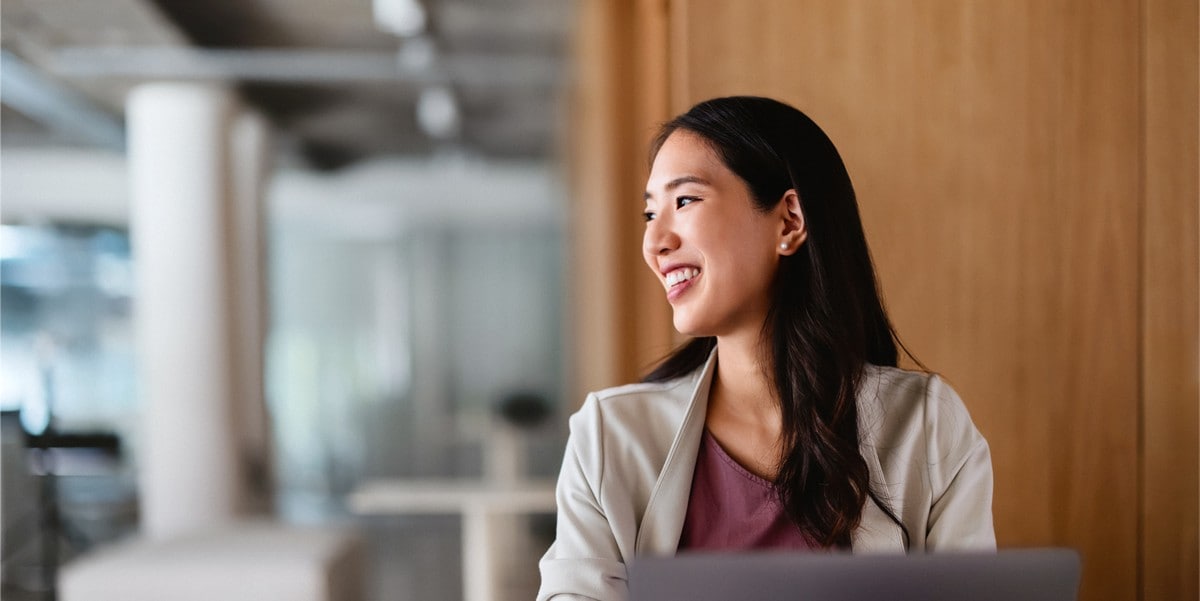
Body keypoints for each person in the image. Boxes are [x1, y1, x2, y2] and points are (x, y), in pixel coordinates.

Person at [537, 96, 994, 601]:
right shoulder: (609, 439)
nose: (655, 242)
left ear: (789, 222)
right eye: (650, 213)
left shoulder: (927, 426)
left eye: (684, 201)